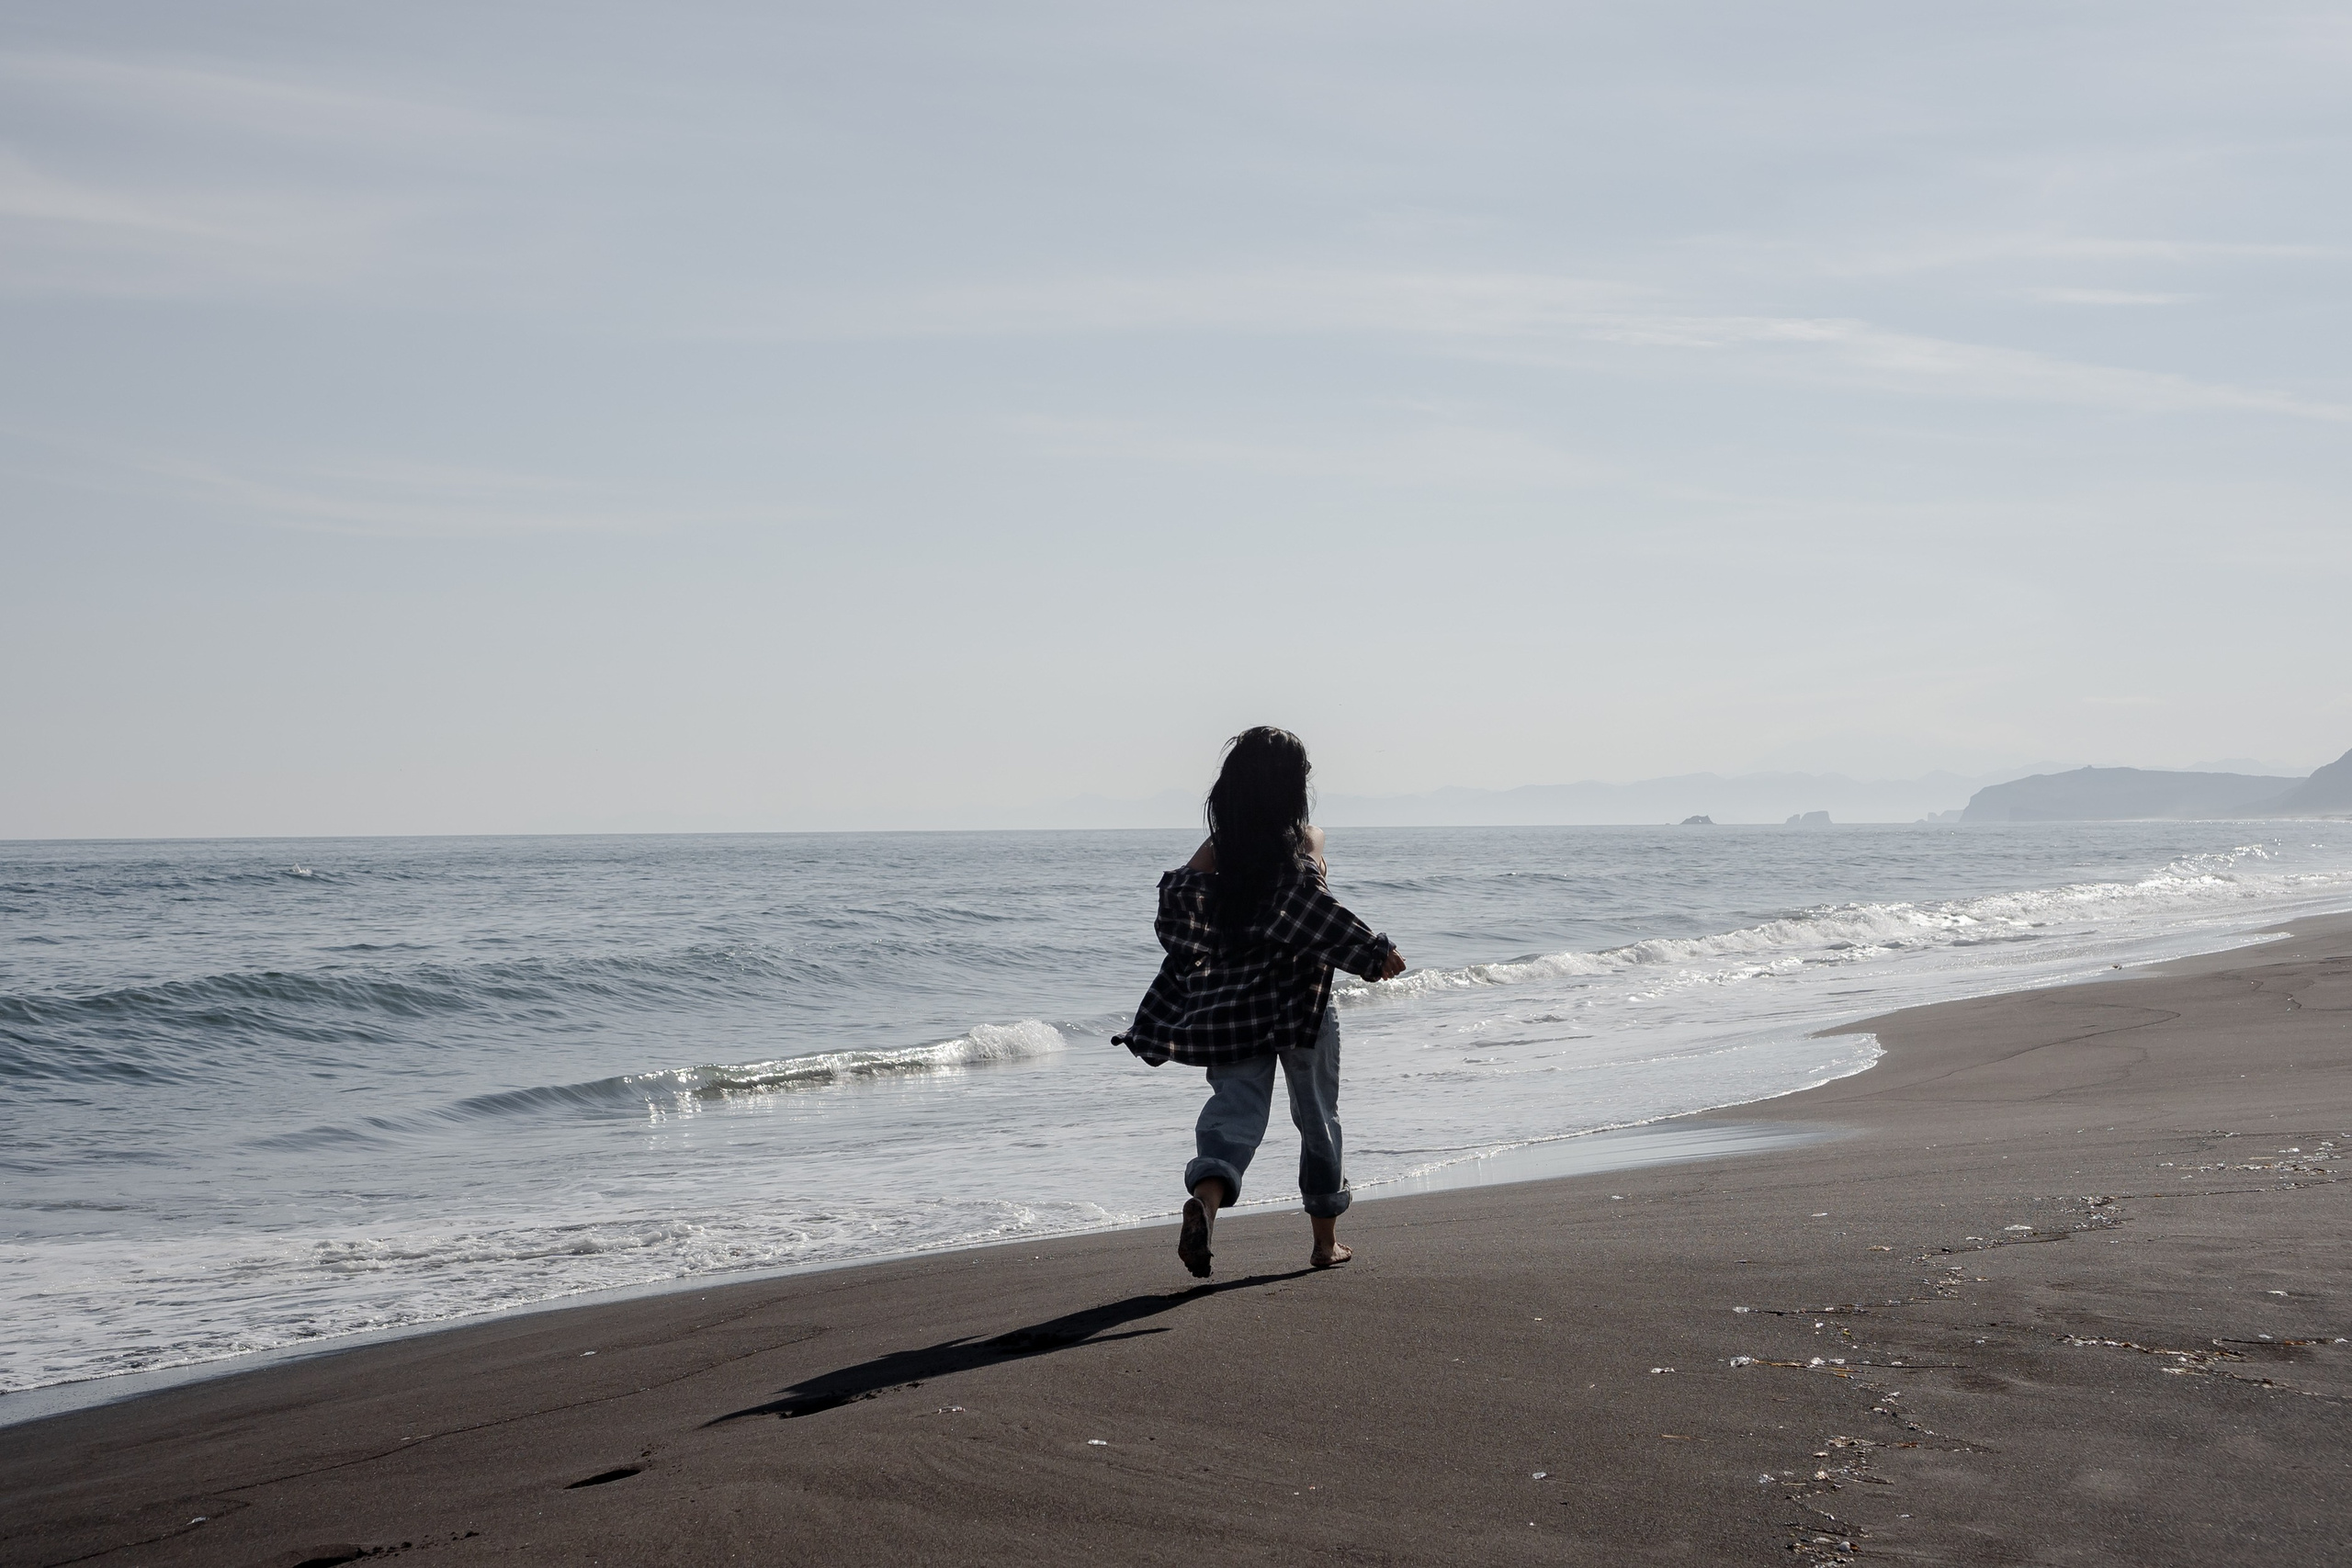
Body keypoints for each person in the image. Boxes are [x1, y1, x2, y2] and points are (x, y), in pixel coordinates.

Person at [1115, 728, 1408, 1278]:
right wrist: (1373, 951)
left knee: (1233, 1112)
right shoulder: (1307, 838)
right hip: (1302, 1005)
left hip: (1233, 1005)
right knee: (1317, 1116)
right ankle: (1325, 1243)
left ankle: (1204, 1205)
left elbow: (1177, 902)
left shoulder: (1220, 847)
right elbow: (1310, 908)